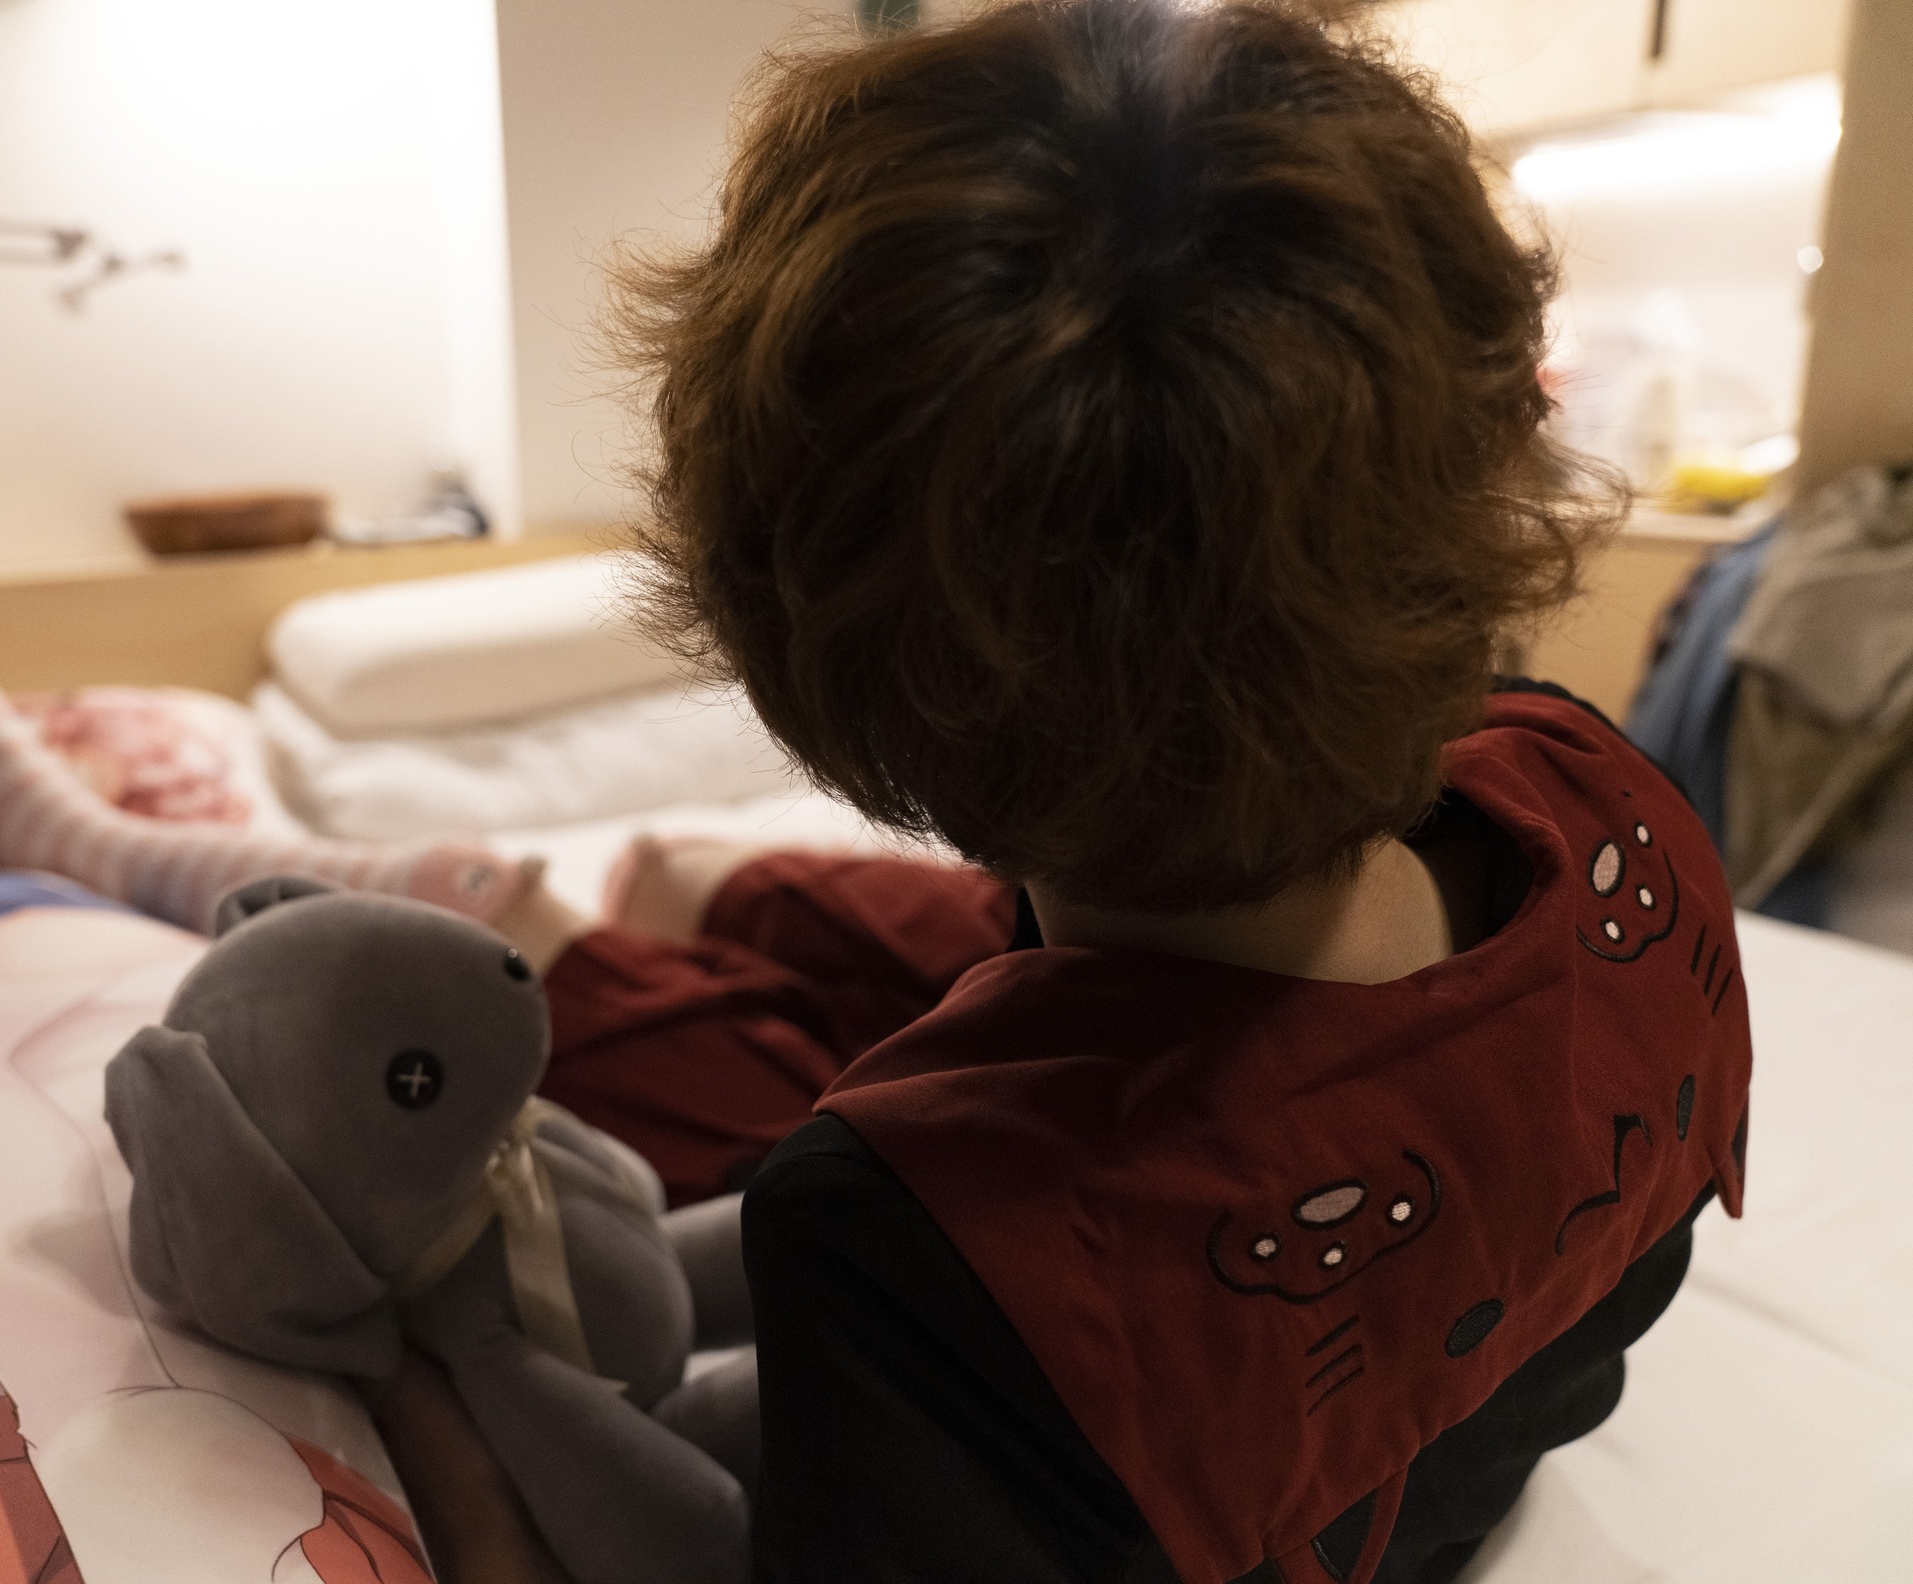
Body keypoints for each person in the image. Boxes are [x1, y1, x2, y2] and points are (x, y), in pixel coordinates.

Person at [581, 2, 1755, 1580]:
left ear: (801, 649)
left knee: (637, 991)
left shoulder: (898, 1232)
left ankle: (592, 920)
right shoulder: (1614, 810)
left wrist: (430, 1411)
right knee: (827, 935)